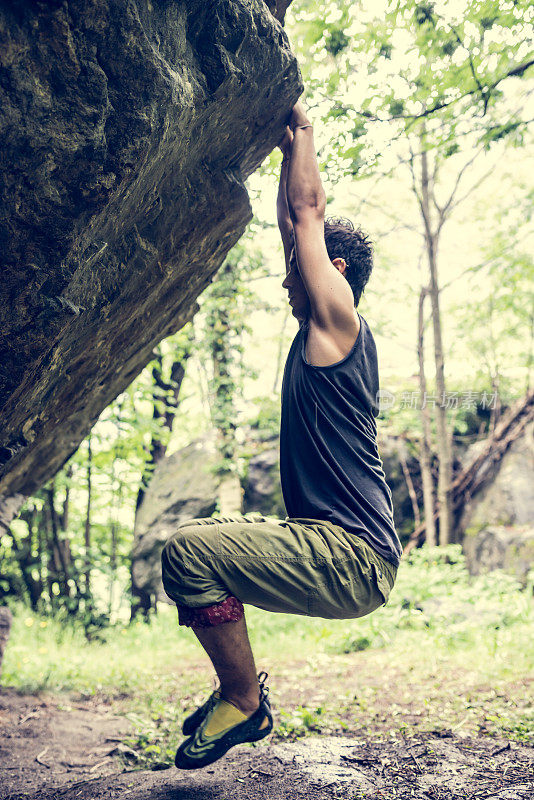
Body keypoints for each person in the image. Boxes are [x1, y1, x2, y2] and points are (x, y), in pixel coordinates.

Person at [161, 99, 402, 770]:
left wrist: (304, 131)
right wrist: (278, 147)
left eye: (302, 264)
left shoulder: (339, 323)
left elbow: (306, 220)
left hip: (351, 557)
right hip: (343, 553)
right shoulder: (317, 334)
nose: (287, 273)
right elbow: (290, 225)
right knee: (201, 550)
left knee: (188, 552)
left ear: (339, 275)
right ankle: (240, 698)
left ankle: (243, 700)